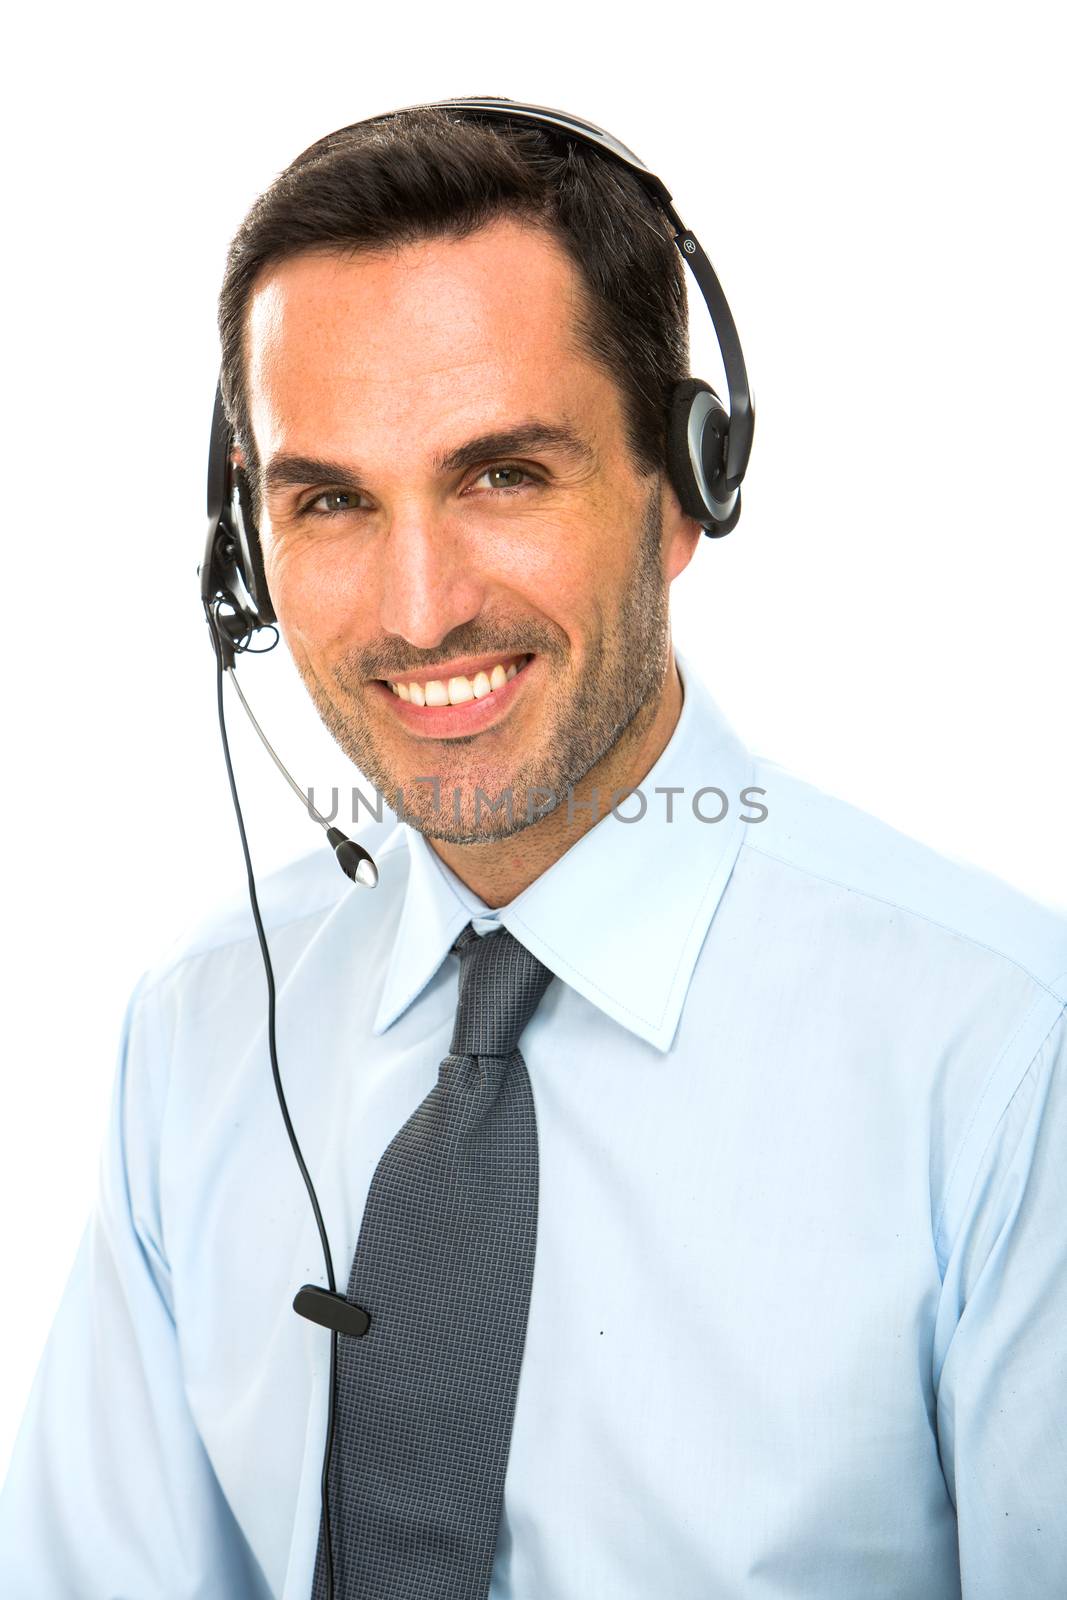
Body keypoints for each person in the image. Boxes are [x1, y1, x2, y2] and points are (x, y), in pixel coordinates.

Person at [2, 98, 1065, 1600]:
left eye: (503, 475)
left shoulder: (1007, 1057)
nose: (420, 608)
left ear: (686, 486)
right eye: (330, 502)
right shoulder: (198, 1035)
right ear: (245, 550)